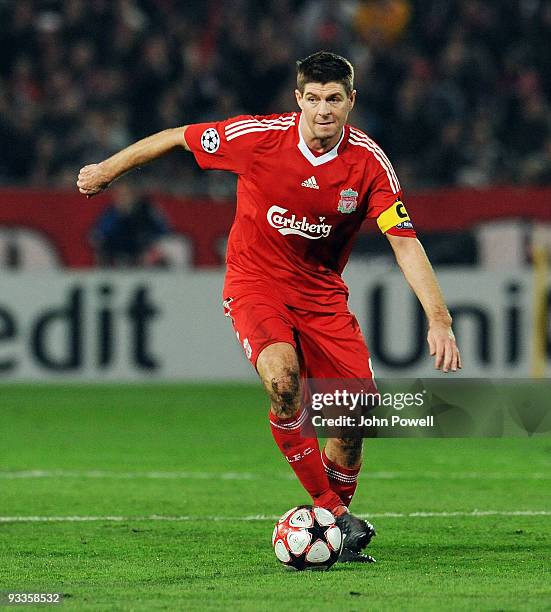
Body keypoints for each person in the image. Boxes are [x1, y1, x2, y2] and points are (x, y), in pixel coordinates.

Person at [77, 51, 461, 563]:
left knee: (352, 421)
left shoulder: (369, 164)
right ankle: (333, 513)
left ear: (351, 101)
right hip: (255, 282)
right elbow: (178, 136)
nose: (323, 110)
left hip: (322, 297)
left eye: (334, 99)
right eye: (314, 98)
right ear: (297, 99)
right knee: (284, 382)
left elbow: (405, 243)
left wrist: (439, 319)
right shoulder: (256, 137)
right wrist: (107, 169)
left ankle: (332, 530)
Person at [90, 182, 170, 267]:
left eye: (126, 194)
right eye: (119, 195)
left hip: (147, 247)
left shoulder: (146, 210)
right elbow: (100, 232)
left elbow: (163, 229)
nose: (122, 198)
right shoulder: (112, 213)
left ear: (133, 195)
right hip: (120, 250)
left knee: (174, 246)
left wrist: (150, 243)